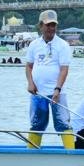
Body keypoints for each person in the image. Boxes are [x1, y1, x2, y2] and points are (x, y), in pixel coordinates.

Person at [25, 9, 74, 149]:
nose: (51, 28)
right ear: (41, 26)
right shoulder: (34, 45)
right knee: (36, 124)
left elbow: (64, 69)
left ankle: (72, 153)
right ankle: (31, 153)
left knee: (63, 123)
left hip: (57, 93)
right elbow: (28, 66)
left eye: (54, 25)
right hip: (38, 93)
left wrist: (57, 89)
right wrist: (30, 83)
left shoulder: (63, 45)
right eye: (48, 25)